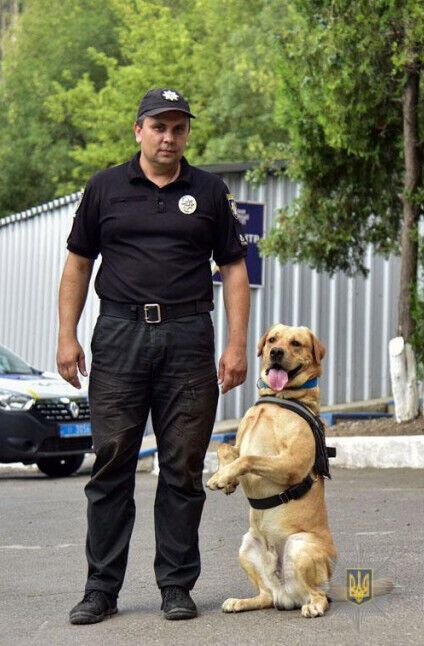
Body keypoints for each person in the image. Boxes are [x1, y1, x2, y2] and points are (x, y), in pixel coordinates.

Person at [56, 87, 251, 624]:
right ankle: (101, 590)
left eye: (178, 128)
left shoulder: (209, 192)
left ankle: (176, 586)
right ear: (138, 130)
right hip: (118, 334)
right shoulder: (104, 188)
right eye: (159, 127)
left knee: (183, 467)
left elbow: (234, 269)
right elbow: (78, 264)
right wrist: (66, 336)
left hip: (189, 338)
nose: (169, 137)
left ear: (187, 134)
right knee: (113, 462)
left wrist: (236, 345)